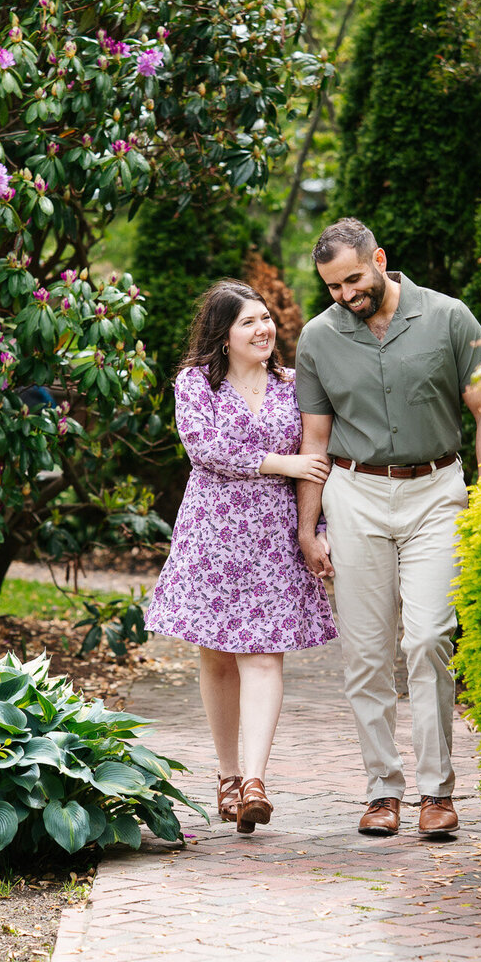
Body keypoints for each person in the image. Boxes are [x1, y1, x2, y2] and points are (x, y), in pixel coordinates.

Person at [293, 219, 481, 838]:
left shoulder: (450, 317)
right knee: (365, 650)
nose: (345, 295)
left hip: (437, 490)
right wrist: (310, 528)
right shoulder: (316, 339)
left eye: (354, 279)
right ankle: (382, 790)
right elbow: (315, 440)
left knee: (431, 636)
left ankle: (437, 791)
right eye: (332, 287)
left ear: (380, 259)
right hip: (354, 495)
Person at [144, 280, 337, 834]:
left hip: (276, 535)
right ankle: (227, 775)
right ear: (223, 335)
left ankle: (254, 781)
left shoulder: (295, 386)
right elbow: (207, 448)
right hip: (213, 536)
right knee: (218, 656)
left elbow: (317, 462)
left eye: (267, 319)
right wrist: (285, 463)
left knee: (264, 654)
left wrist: (316, 528)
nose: (263, 330)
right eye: (249, 322)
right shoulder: (195, 384)